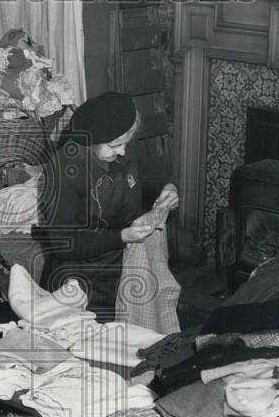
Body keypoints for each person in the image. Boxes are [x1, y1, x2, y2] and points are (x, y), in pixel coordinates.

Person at [33, 92, 179, 319]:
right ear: (90, 143)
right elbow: (64, 244)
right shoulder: (64, 171)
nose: (122, 151)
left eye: (126, 142)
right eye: (114, 146)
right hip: (78, 278)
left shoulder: (124, 146)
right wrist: (121, 236)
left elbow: (151, 177)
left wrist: (169, 188)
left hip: (122, 265)